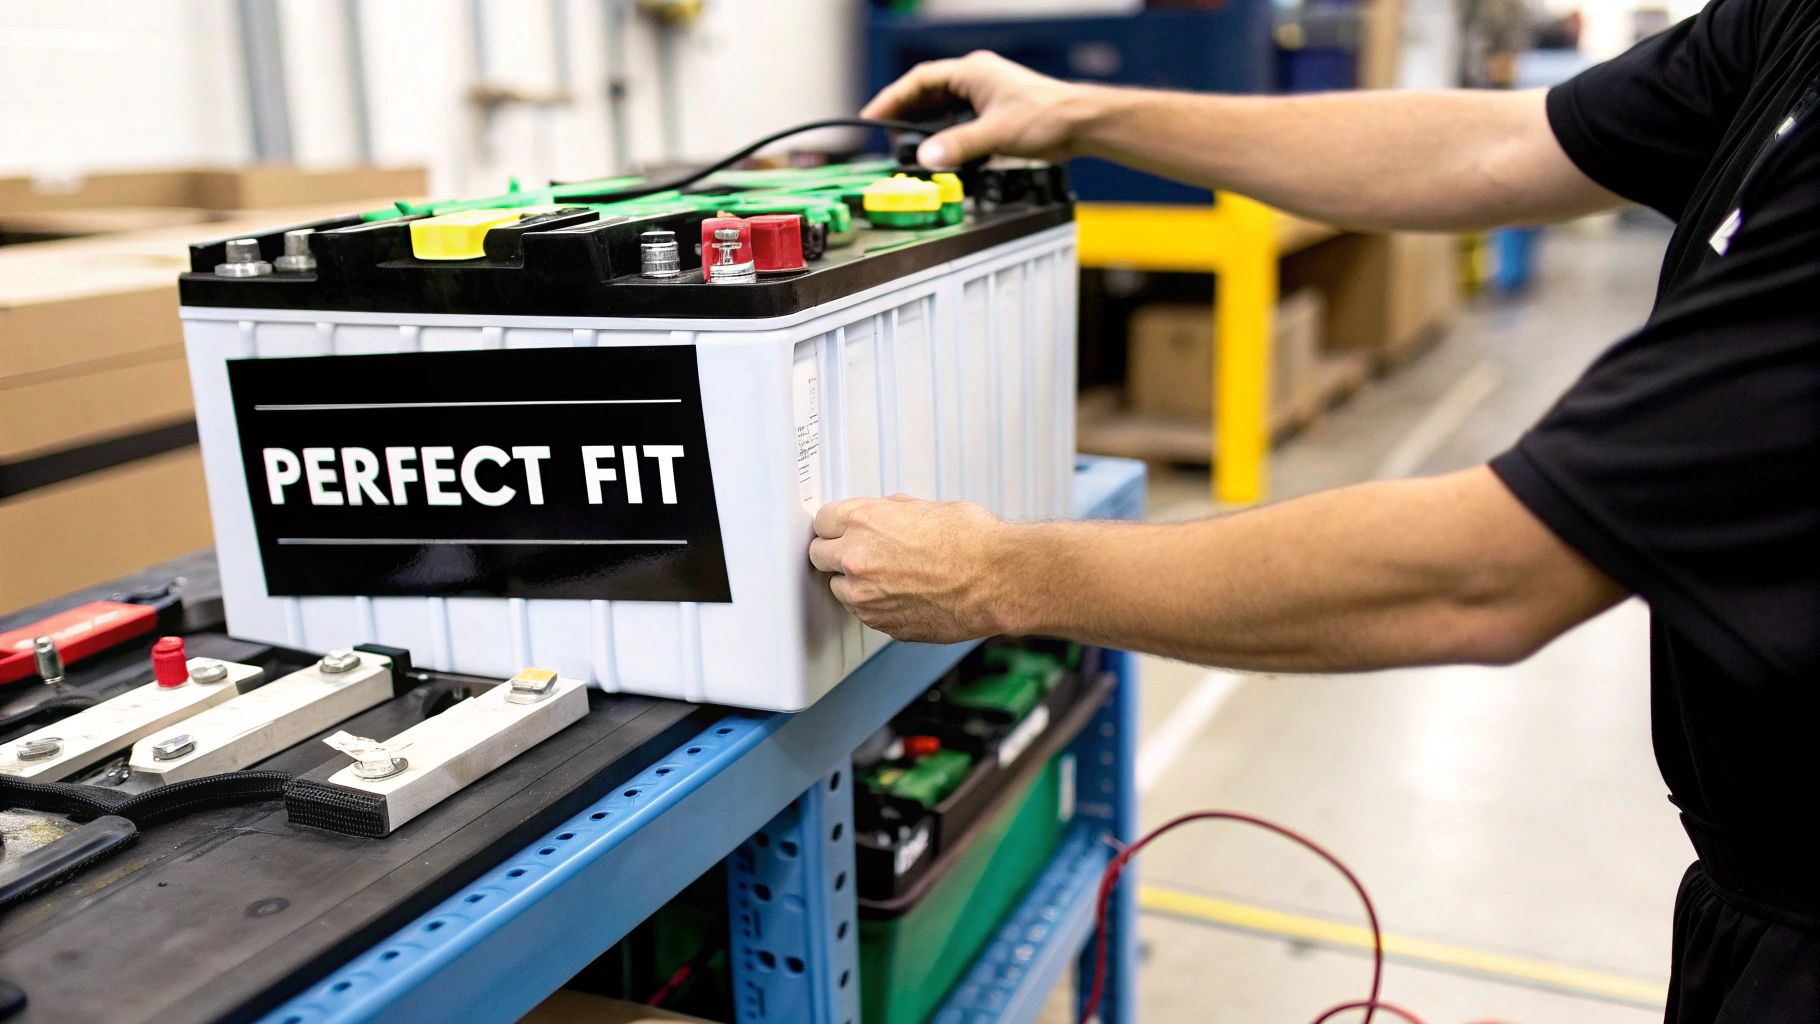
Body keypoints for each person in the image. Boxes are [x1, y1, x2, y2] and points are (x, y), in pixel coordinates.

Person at [813, 3, 1819, 1021]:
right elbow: (1499, 144)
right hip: (1739, 888)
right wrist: (1083, 111)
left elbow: (1491, 570)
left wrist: (994, 573)